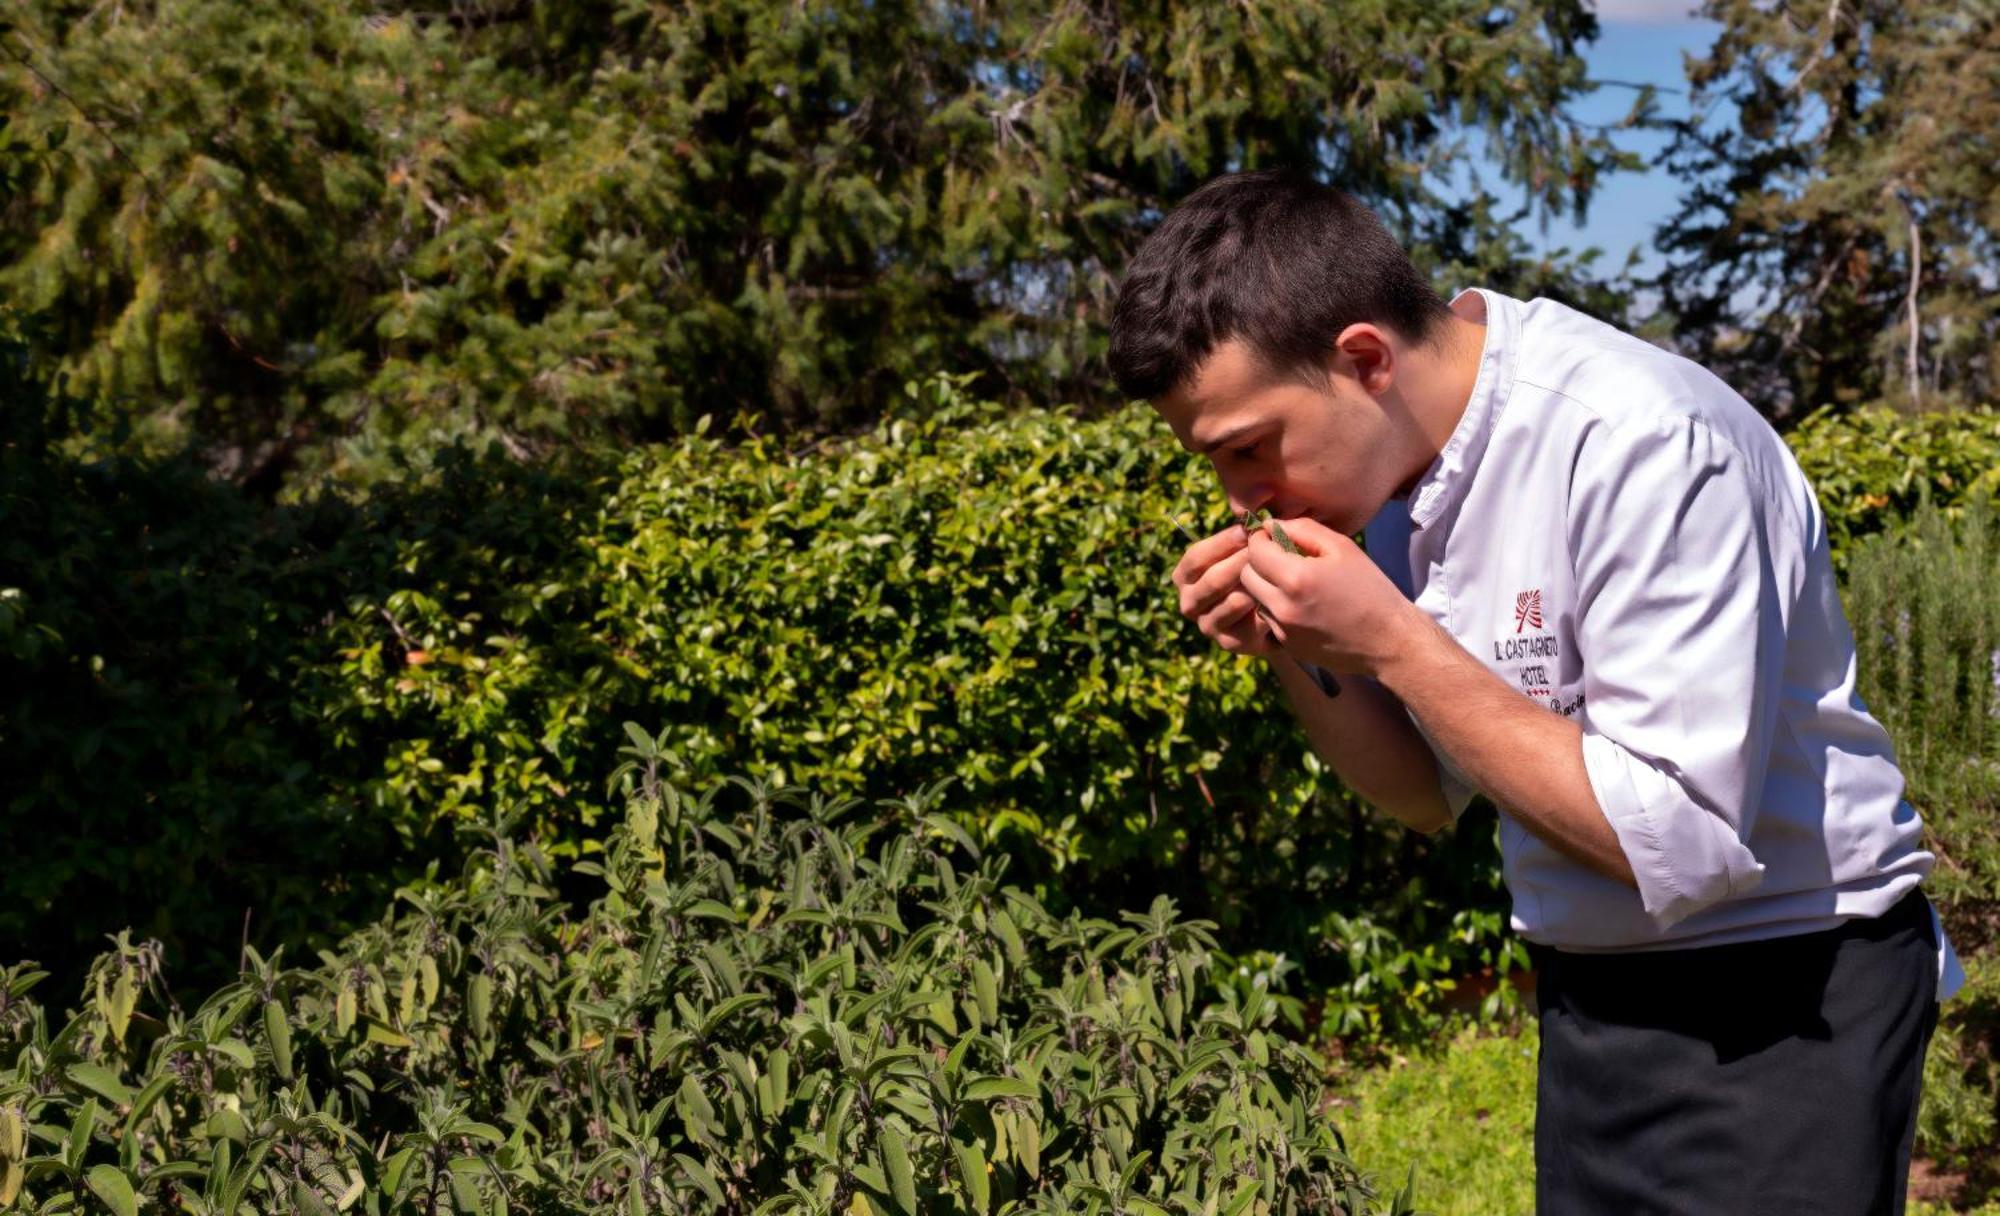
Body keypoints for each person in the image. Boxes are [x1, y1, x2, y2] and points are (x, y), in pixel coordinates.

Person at [1107, 168, 1964, 1215]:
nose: (1238, 499)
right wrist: (1294, 643)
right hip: (1592, 991)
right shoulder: (1391, 474)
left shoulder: (1641, 441)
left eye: (1246, 449)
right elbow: (1422, 793)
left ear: (1364, 358)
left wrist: (1393, 639)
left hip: (1785, 990)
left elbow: (1685, 844)